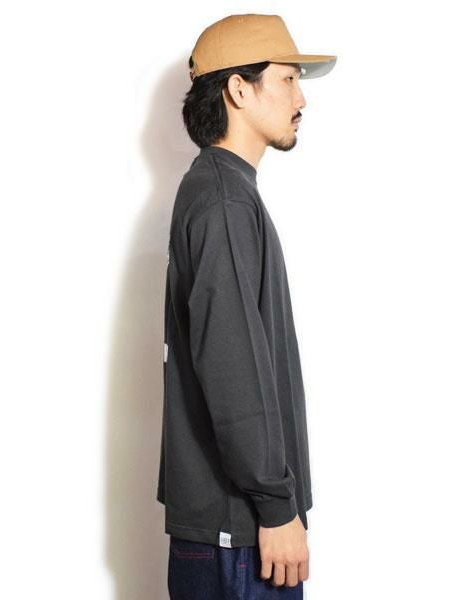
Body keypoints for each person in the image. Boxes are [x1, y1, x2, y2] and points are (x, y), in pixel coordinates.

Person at [156, 13, 337, 598]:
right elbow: (231, 367)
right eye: (287, 79)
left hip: (233, 530)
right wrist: (277, 507)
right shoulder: (224, 201)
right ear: (239, 88)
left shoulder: (221, 191)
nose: (301, 98)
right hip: (242, 534)